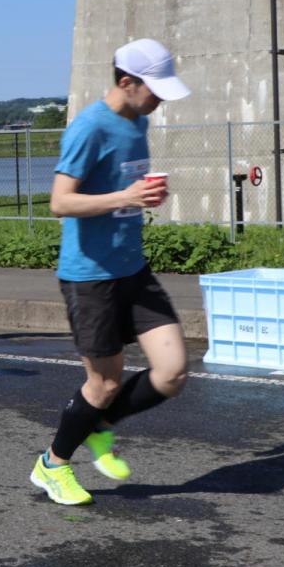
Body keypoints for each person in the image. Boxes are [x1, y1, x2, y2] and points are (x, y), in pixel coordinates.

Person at [30, 38, 191, 505]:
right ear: (126, 82)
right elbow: (60, 202)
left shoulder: (138, 122)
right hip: (90, 276)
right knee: (104, 383)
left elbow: (129, 187)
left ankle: (99, 424)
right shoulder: (89, 129)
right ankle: (53, 464)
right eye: (154, 90)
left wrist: (144, 195)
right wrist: (126, 198)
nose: (160, 100)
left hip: (132, 269)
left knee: (173, 372)